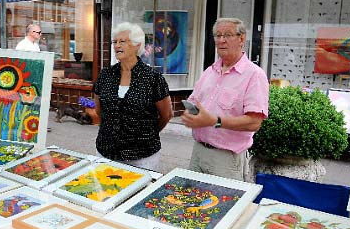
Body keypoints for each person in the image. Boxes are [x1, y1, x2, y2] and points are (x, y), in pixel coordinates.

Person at [181, 18, 269, 181]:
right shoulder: (210, 71)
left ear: (241, 38)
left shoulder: (254, 75)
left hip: (226, 160)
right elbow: (193, 102)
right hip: (198, 152)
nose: (221, 40)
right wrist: (190, 114)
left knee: (223, 205)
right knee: (191, 203)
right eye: (218, 35)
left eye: (227, 35)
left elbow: (254, 122)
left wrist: (214, 121)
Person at [93, 22, 173, 171]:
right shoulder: (105, 76)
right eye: (114, 42)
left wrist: (147, 133)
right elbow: (99, 111)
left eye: (122, 41)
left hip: (142, 157)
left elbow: (166, 115)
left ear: (137, 45)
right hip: (106, 152)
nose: (117, 46)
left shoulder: (153, 78)